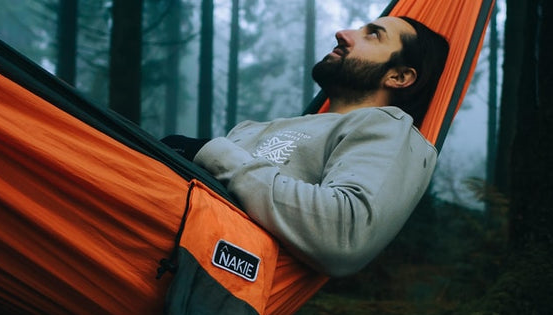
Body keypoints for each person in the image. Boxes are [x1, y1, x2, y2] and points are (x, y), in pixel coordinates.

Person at [162, 15, 449, 278]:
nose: (342, 34)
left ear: (398, 77)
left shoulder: (385, 125)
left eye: (373, 35)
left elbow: (344, 232)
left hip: (203, 268)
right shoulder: (254, 128)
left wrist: (212, 153)